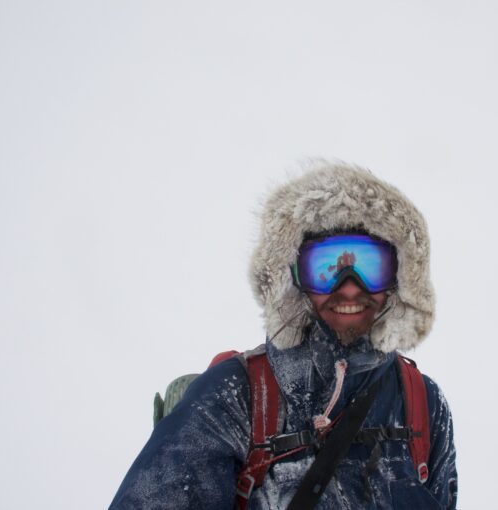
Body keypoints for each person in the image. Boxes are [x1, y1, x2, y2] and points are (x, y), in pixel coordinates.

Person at [110, 162, 458, 509]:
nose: (349, 288)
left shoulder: (422, 404)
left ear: (400, 277)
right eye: (325, 269)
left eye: (370, 266)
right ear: (293, 280)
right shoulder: (236, 397)